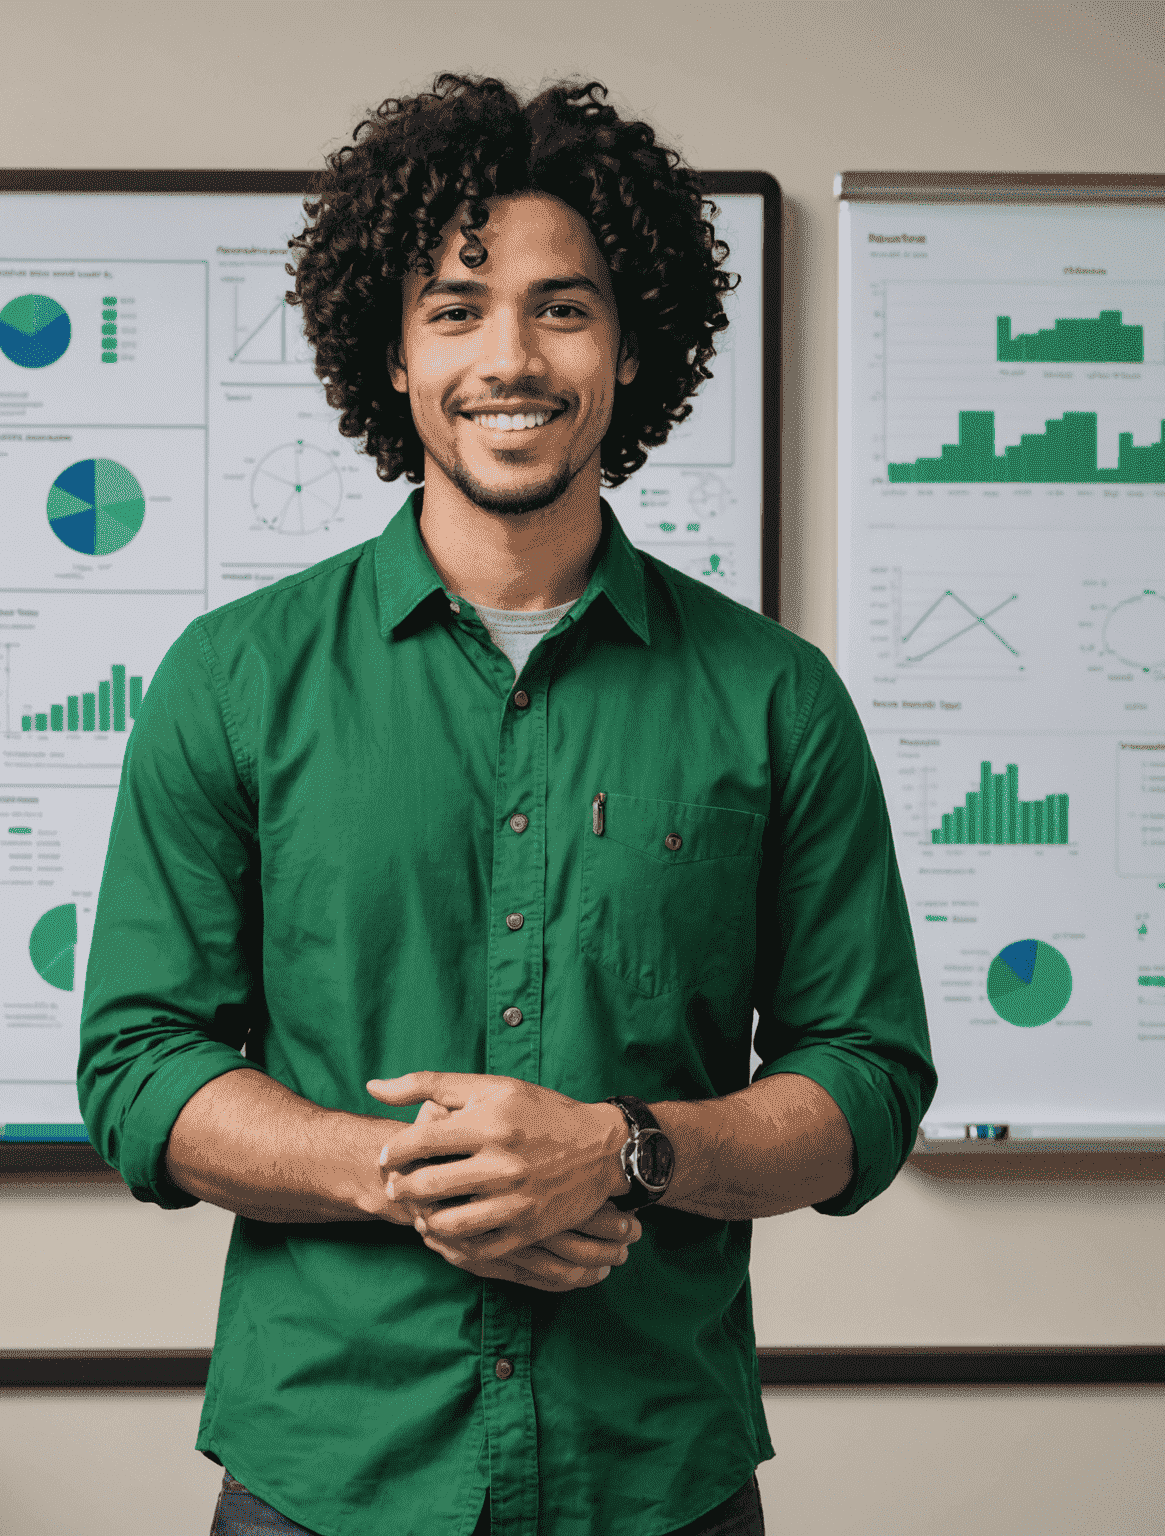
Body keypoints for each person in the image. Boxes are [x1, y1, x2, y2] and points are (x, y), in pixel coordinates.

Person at [79, 73, 934, 1536]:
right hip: (325, 1472)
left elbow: (865, 1079)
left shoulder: (776, 700)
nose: (510, 356)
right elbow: (139, 1063)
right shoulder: (232, 683)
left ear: (627, 347)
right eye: (457, 307)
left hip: (654, 1475)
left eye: (564, 305)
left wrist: (619, 1152)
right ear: (393, 354)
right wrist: (411, 1176)